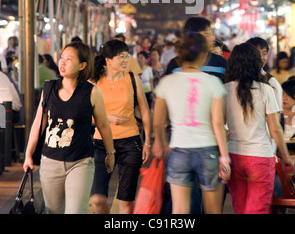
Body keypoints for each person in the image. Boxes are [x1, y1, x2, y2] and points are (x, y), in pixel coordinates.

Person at [23, 42, 115, 214]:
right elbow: (38, 125)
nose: (62, 62)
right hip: (50, 162)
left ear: (82, 65)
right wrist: (28, 155)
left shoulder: (92, 92)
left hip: (80, 162)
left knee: (76, 211)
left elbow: (103, 125)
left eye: (69, 59)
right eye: (62, 58)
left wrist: (111, 153)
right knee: (54, 211)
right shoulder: (49, 88)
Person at [153, 33, 230, 214]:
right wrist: (224, 157)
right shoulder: (212, 83)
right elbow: (218, 122)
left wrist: (161, 143)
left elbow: (158, 122)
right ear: (203, 55)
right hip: (208, 151)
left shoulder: (167, 82)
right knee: (213, 210)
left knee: (179, 212)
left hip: (178, 151)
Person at [224, 42, 295, 214]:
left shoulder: (224, 90)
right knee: (257, 210)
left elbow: (220, 126)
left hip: (234, 156)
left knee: (239, 209)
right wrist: (285, 157)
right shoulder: (265, 89)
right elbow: (275, 129)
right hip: (260, 158)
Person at [91, 39, 151, 215]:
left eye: (127, 56)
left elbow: (146, 112)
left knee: (126, 201)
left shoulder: (133, 79)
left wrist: (147, 142)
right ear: (108, 60)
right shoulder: (95, 82)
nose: (126, 60)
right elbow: (85, 115)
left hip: (130, 143)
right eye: (121, 57)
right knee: (98, 199)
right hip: (100, 143)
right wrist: (107, 117)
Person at [166, 17, 227, 82]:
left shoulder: (221, 63)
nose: (212, 39)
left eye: (212, 34)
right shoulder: (174, 65)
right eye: (207, 34)